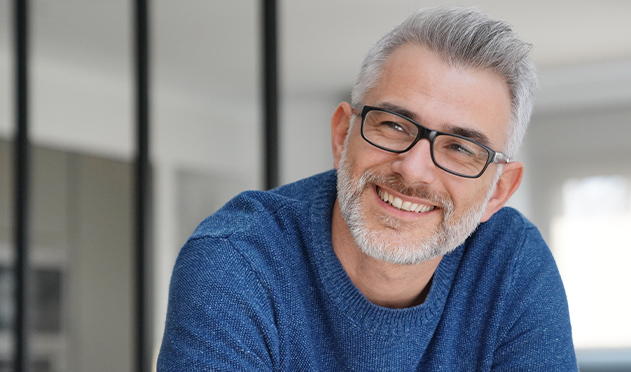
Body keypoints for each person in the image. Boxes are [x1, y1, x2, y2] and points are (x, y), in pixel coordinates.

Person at [158, 6, 577, 371]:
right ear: (343, 135)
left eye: (460, 148)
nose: (414, 171)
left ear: (499, 191)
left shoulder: (512, 264)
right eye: (394, 125)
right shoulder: (235, 260)